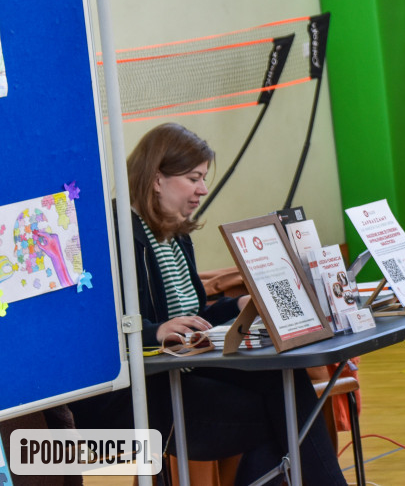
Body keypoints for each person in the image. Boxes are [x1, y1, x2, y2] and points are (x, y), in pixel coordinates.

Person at [70, 123, 347, 486]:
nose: (203, 189)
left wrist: (240, 305)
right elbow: (98, 329)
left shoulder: (176, 235)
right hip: (142, 393)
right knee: (284, 415)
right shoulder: (118, 235)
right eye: (193, 178)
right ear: (157, 179)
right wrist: (156, 332)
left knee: (285, 383)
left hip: (184, 373)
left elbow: (196, 319)